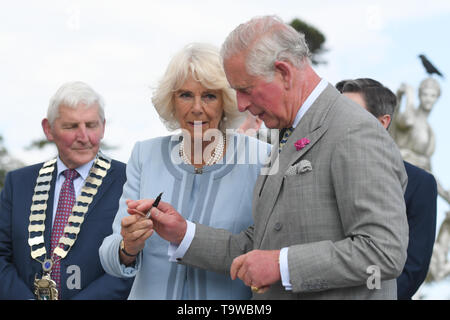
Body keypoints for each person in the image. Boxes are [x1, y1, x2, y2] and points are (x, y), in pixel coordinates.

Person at [128, 16, 409, 299]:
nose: (240, 105)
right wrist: (182, 233)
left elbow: (383, 251)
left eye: (246, 90)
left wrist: (282, 265)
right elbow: (262, 242)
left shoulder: (355, 131)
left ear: (284, 73)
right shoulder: (287, 133)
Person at [99, 43, 271, 299]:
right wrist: (128, 247)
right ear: (171, 100)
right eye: (186, 95)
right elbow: (109, 255)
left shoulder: (261, 157)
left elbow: (268, 249)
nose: (197, 108)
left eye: (209, 96)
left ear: (226, 100)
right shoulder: (145, 154)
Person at [0, 81, 133, 300]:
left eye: (91, 125)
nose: (83, 137)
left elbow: (133, 261)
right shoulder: (19, 183)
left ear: (103, 126)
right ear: (48, 129)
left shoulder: (128, 181)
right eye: (71, 126)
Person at [336, 78, 438, 300]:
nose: (337, 122)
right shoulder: (318, 171)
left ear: (382, 123)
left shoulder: (420, 183)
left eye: (349, 114)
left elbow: (413, 267)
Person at [390, 77, 441, 172]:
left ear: (437, 98)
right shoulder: (410, 116)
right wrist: (410, 96)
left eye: (433, 95)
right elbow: (408, 121)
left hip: (422, 177)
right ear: (419, 95)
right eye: (425, 95)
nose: (428, 99)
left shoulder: (430, 129)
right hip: (404, 173)